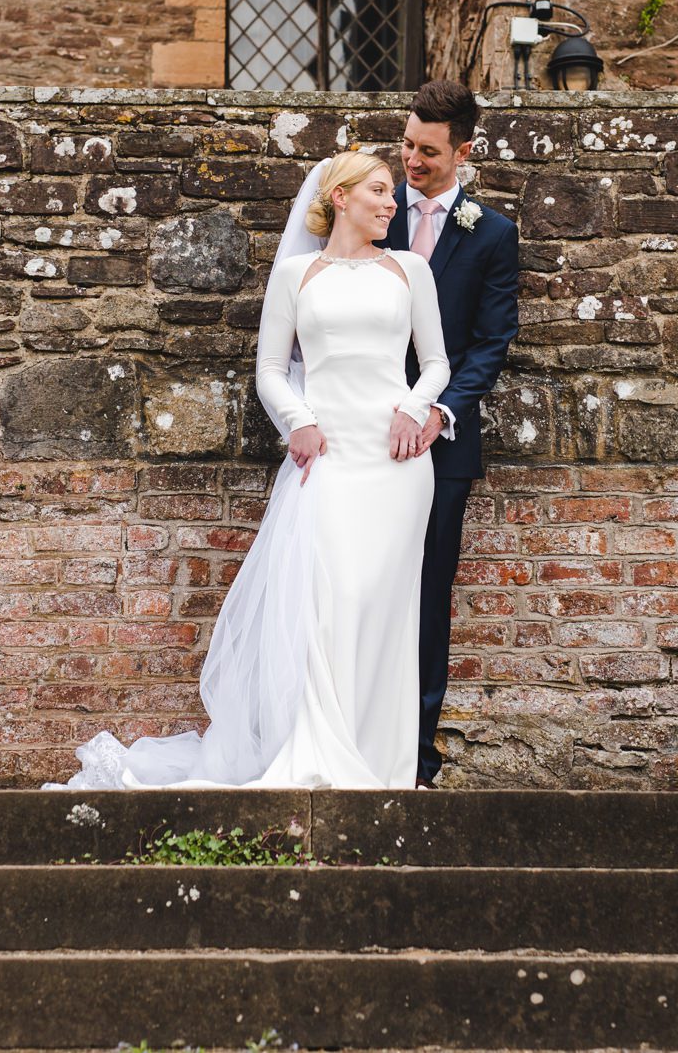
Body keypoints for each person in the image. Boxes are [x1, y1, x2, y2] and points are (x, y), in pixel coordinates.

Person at [58, 150, 450, 789]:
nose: (390, 202)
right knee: (329, 602)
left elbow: (436, 362)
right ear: (342, 197)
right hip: (325, 457)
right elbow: (270, 370)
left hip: (396, 464)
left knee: (383, 607)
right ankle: (321, 750)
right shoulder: (298, 275)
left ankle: (381, 764)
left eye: (392, 192)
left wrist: (414, 408)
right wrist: (298, 421)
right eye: (379, 190)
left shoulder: (409, 270)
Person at [383, 80, 521, 787]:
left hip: (443, 446)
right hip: (367, 436)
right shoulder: (374, 216)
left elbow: (492, 343)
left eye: (428, 151)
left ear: (463, 151)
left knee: (429, 593)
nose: (411, 160)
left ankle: (417, 756)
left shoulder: (491, 233)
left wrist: (441, 411)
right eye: (407, 143)